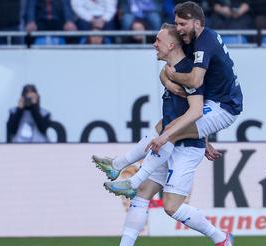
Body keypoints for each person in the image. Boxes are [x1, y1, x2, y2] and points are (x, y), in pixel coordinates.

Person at [93, 24, 234, 246]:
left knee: (171, 207)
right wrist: (166, 79)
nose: (154, 43)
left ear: (171, 45)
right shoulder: (171, 70)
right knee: (142, 196)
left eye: (158, 40)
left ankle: (220, 237)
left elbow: (197, 111)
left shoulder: (190, 73)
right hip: (170, 141)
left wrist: (201, 140)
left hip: (186, 148)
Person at [103, 1, 243, 197]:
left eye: (182, 24)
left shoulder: (205, 41)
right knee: (163, 126)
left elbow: (194, 80)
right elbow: (168, 69)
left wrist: (173, 77)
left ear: (197, 22)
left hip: (225, 107)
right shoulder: (192, 42)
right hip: (213, 104)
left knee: (169, 131)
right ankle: (117, 165)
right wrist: (168, 81)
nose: (178, 29)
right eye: (176, 24)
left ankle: (133, 181)